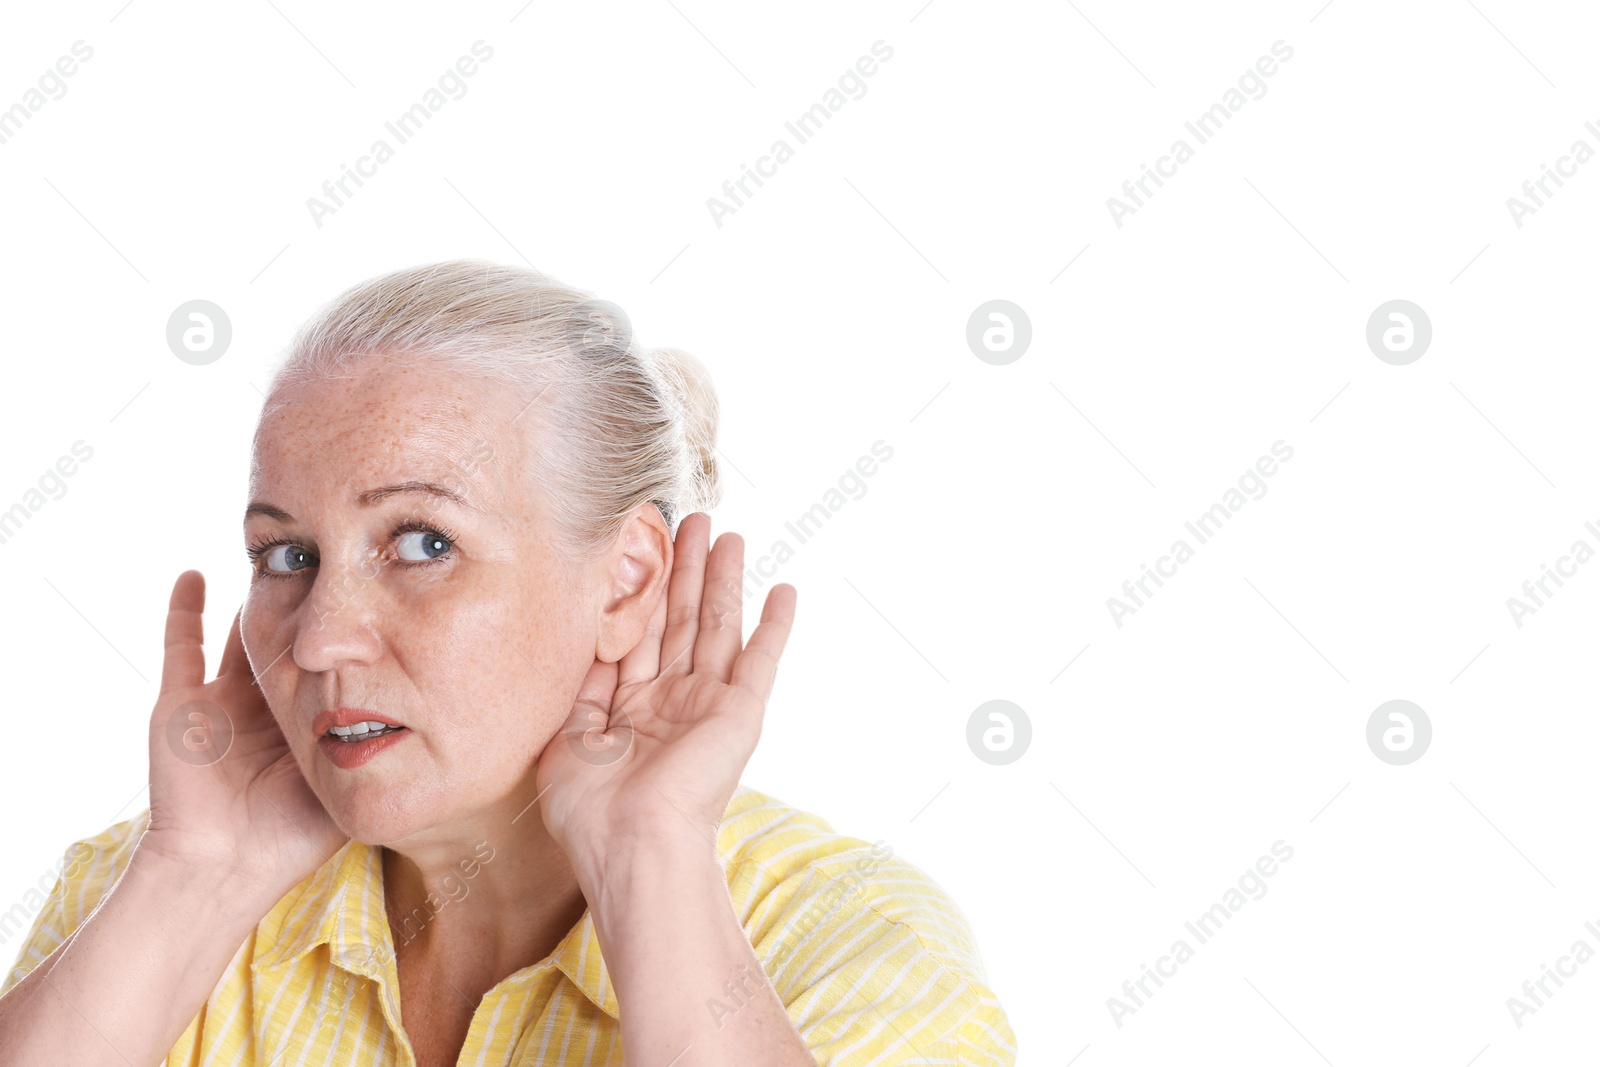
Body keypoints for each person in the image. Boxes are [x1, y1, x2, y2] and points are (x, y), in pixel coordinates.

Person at [0, 260, 1017, 1066]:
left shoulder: (847, 936)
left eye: (423, 541)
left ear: (624, 582)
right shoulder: (146, 892)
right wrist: (198, 879)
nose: (316, 638)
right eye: (288, 555)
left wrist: (646, 856)